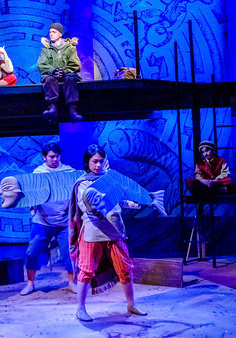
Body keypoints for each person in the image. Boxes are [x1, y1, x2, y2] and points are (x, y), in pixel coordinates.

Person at [69, 144, 147, 322]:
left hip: (115, 230)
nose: (98, 165)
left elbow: (120, 198)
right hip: (93, 232)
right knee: (86, 270)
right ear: (87, 162)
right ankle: (80, 308)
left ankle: (131, 304)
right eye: (94, 161)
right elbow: (86, 205)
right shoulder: (83, 183)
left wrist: (136, 202)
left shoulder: (110, 178)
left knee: (125, 269)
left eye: (101, 161)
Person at [20, 142, 76, 295]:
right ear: (44, 157)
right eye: (51, 157)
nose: (55, 159)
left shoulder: (68, 172)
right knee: (32, 252)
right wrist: (33, 209)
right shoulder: (38, 173)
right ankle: (30, 284)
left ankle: (72, 283)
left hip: (63, 221)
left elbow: (75, 193)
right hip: (42, 221)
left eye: (57, 156)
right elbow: (31, 194)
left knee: (70, 252)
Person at [37, 22, 83, 123]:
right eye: (50, 32)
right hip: (51, 75)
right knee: (49, 80)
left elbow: (75, 64)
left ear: (60, 34)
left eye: (54, 32)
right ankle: (52, 108)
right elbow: (41, 64)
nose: (51, 34)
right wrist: (53, 70)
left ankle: (73, 110)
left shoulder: (70, 47)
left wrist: (64, 71)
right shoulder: (46, 49)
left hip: (67, 74)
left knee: (70, 79)